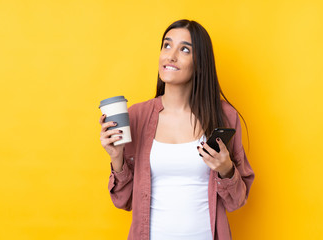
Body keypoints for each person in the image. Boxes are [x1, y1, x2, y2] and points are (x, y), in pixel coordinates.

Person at [99, 19, 255, 240]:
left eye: (184, 49)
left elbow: (236, 201)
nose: (171, 56)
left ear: (200, 62)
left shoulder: (224, 117)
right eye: (167, 45)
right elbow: (123, 201)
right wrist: (117, 158)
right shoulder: (137, 117)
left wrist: (226, 169)